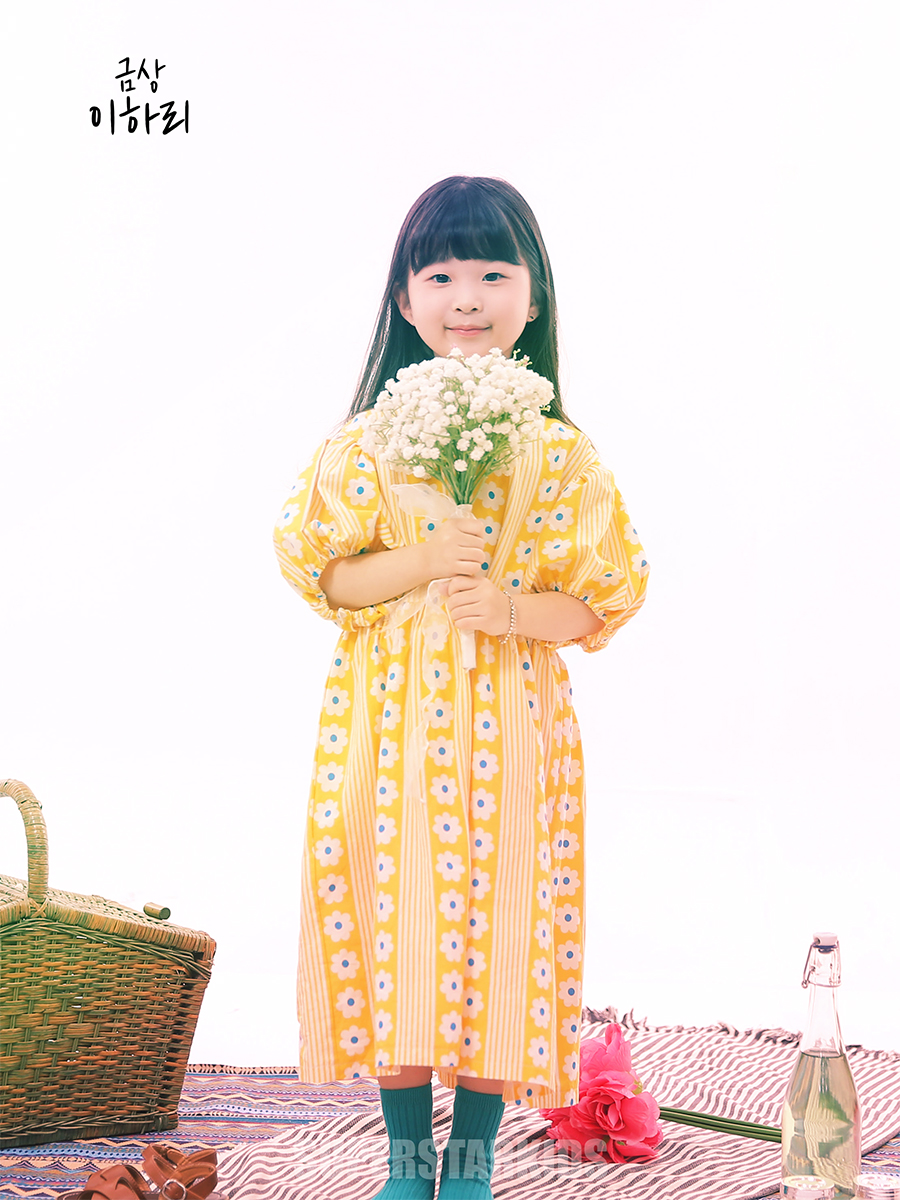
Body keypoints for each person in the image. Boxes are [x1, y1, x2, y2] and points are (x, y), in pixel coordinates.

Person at [273, 176, 649, 1200]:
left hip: (513, 731)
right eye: (439, 276)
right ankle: (406, 1158)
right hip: (386, 728)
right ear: (403, 299)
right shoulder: (365, 444)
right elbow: (326, 574)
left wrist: (512, 609)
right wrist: (426, 560)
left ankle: (472, 1156)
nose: (467, 298)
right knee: (391, 913)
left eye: (493, 273)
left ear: (535, 295)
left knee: (507, 921)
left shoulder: (560, 454)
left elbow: (604, 599)